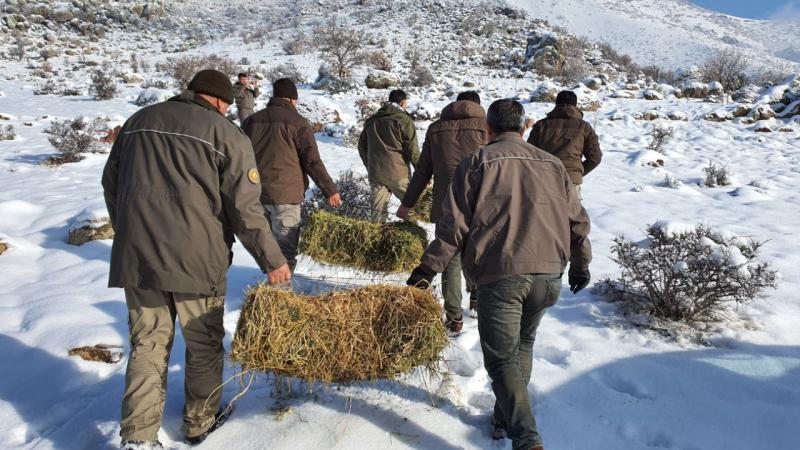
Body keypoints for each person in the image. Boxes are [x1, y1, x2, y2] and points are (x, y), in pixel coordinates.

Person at [102, 69, 291, 449]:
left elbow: (111, 183)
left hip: (138, 260)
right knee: (202, 344)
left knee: (148, 345)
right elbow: (245, 210)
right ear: (221, 101)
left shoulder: (138, 121)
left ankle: (138, 436)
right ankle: (199, 422)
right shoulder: (225, 134)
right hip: (197, 260)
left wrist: (129, 233)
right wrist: (273, 260)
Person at [407, 99, 592, 450]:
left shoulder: (476, 163)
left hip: (502, 274)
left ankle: (526, 438)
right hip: (550, 273)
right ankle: (502, 418)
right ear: (524, 129)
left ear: (488, 130)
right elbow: (578, 221)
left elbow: (453, 227)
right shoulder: (553, 165)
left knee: (501, 358)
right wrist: (581, 263)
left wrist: (426, 269)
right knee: (522, 345)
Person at [397, 91, 487, 335]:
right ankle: (477, 298)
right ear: (477, 106)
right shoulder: (487, 127)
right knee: (479, 255)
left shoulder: (436, 129)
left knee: (449, 259)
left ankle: (454, 316)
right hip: (482, 204)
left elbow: (423, 170)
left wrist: (407, 203)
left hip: (446, 205)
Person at [242, 78, 340, 281]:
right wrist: (330, 190)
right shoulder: (297, 122)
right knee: (285, 250)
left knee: (267, 250)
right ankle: (279, 301)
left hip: (256, 196)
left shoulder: (251, 121)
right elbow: (312, 161)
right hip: (286, 196)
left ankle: (271, 293)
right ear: (292, 100)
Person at [526, 90, 602, 199]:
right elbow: (595, 157)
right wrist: (576, 172)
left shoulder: (541, 125)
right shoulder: (584, 127)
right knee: (571, 215)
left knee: (544, 215)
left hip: (544, 179)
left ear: (556, 104)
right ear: (575, 105)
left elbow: (529, 155)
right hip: (571, 181)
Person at [358, 89, 419, 222]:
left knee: (377, 216)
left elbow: (361, 146)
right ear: (402, 103)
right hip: (399, 175)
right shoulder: (404, 120)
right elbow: (412, 149)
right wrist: (421, 171)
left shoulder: (372, 121)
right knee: (411, 211)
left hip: (376, 175)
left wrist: (370, 165)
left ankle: (378, 241)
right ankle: (413, 239)